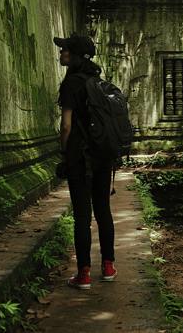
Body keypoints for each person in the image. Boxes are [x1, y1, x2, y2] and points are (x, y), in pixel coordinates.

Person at [54, 32, 116, 289]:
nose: (61, 53)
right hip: (103, 155)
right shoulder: (97, 81)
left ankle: (84, 274)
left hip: (81, 156)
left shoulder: (72, 83)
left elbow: (66, 126)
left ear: (75, 56)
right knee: (103, 211)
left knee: (82, 215)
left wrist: (65, 154)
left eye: (65, 49)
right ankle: (109, 266)